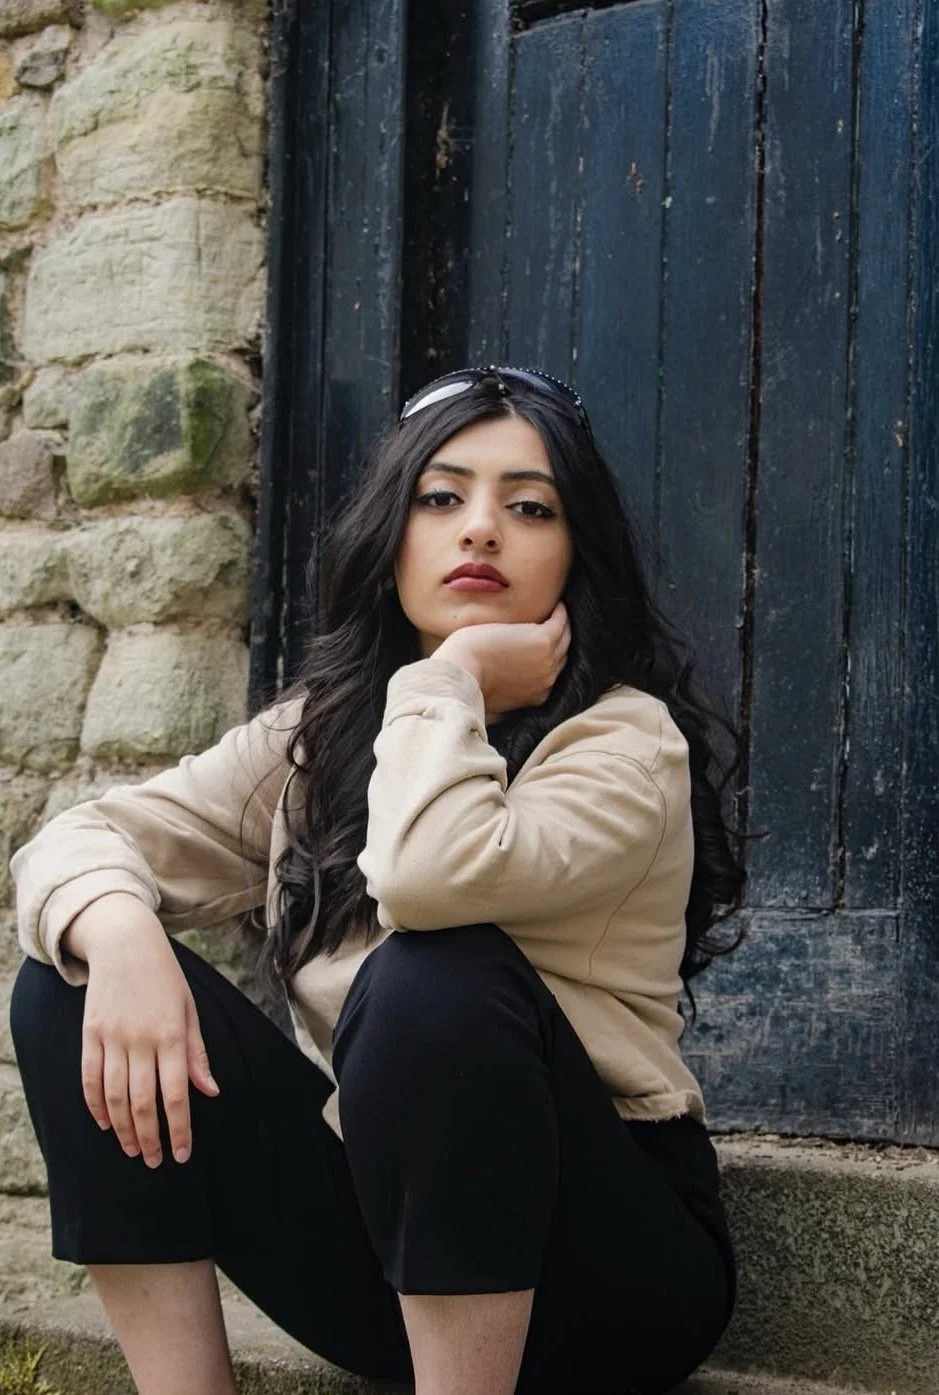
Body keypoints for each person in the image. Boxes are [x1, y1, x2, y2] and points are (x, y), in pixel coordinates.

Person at [9, 366, 748, 1395]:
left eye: (529, 507)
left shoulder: (624, 743)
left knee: (432, 976)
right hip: (390, 1259)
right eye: (440, 498)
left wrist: (449, 680)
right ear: (389, 534)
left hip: (610, 1280)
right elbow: (79, 838)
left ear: (577, 557)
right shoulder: (326, 737)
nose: (480, 529)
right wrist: (123, 932)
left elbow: (428, 878)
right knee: (70, 979)